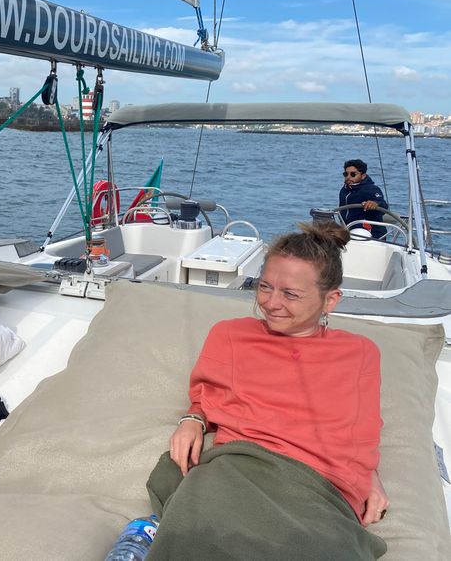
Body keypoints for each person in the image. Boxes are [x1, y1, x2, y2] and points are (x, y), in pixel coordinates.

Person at [145, 222, 389, 560]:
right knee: (199, 527)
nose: (271, 303)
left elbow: (362, 430)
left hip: (319, 485)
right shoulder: (230, 335)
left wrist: (368, 478)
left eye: (290, 294)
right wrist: (193, 420)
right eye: (264, 287)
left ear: (330, 300)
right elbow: (206, 395)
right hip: (239, 466)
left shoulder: (361, 353)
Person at [339, 159, 389, 239]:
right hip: (349, 231)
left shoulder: (371, 189)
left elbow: (383, 205)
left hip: (372, 235)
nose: (348, 177)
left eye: (353, 174)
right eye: (346, 174)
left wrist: (374, 203)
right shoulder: (344, 190)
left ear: (363, 176)